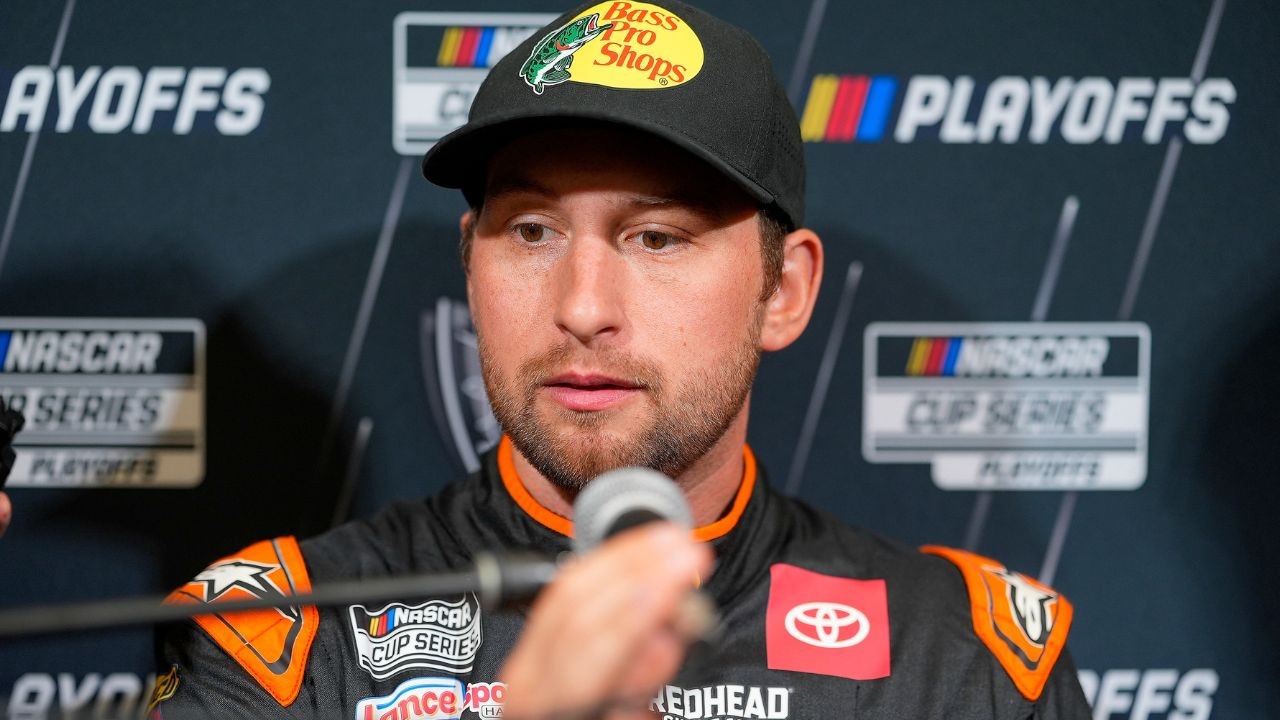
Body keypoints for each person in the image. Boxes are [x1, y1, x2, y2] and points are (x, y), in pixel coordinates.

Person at [153, 2, 1091, 718]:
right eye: (530, 230)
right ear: (469, 266)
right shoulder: (284, 641)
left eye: (658, 237)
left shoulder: (963, 659)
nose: (583, 308)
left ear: (784, 293)